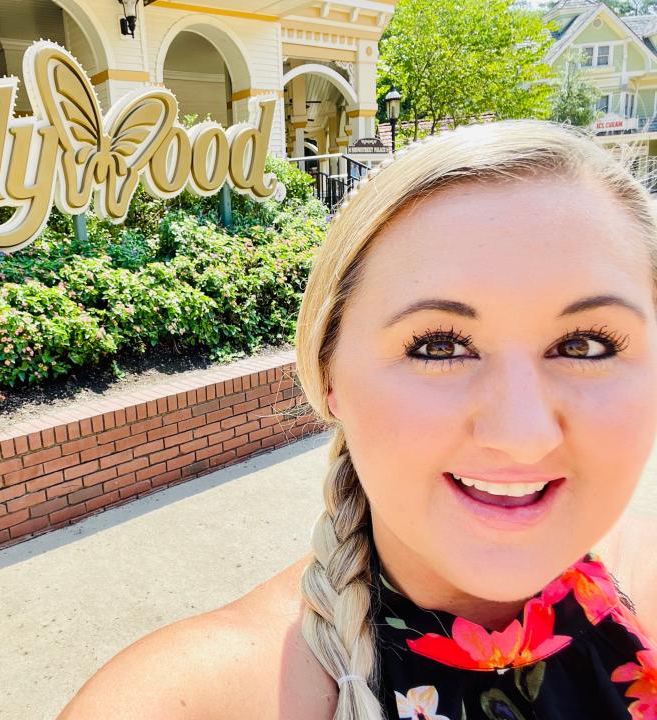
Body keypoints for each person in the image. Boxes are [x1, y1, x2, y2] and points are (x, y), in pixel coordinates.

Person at [56, 120, 657, 720]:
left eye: (585, 345)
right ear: (330, 377)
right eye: (440, 346)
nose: (521, 433)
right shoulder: (190, 703)